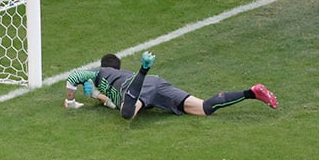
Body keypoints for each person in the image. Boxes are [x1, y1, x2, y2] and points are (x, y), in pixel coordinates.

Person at [62, 51, 278, 119]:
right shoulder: (106, 86)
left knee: (127, 114)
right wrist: (94, 95)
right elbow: (109, 101)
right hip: (155, 85)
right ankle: (250, 93)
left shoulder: (101, 72)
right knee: (203, 108)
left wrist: (70, 101)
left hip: (135, 86)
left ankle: (143, 67)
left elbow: (73, 76)